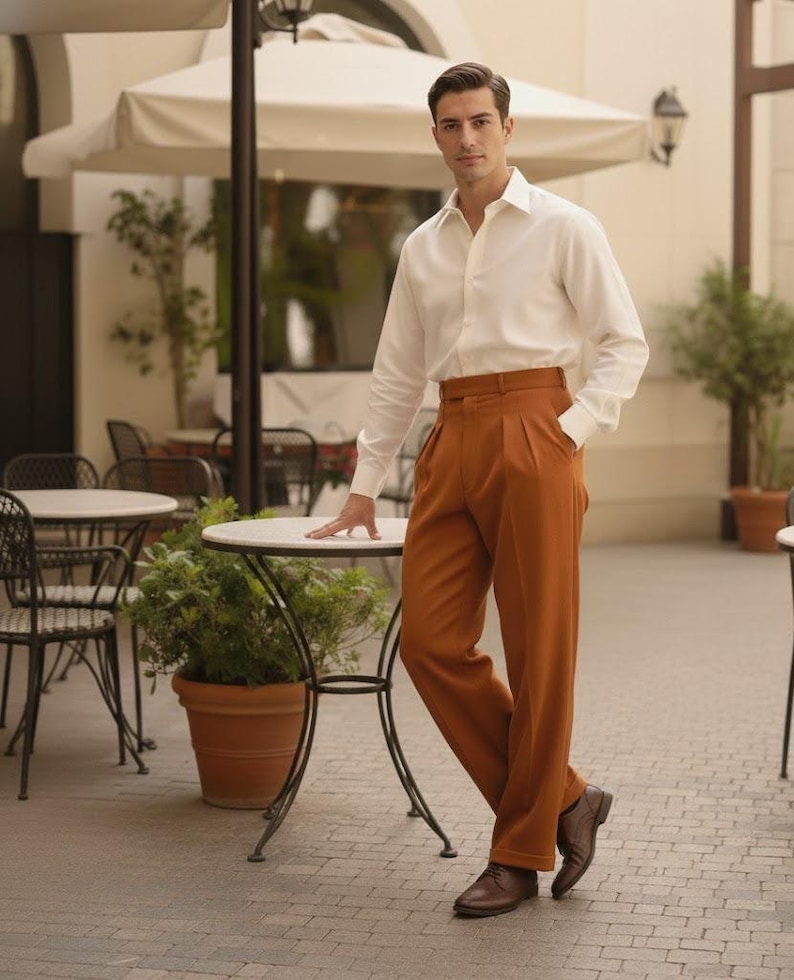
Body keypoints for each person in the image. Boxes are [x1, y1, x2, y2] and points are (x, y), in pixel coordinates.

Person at [308, 62, 649, 916]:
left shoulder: (565, 225)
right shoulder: (422, 247)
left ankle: (518, 853)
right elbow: (395, 374)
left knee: (541, 659)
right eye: (451, 126)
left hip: (538, 424)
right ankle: (567, 797)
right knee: (428, 641)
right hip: (452, 435)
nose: (467, 139)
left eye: (480, 122)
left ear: (508, 129)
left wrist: (566, 432)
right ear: (435, 137)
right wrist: (364, 487)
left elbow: (623, 344)